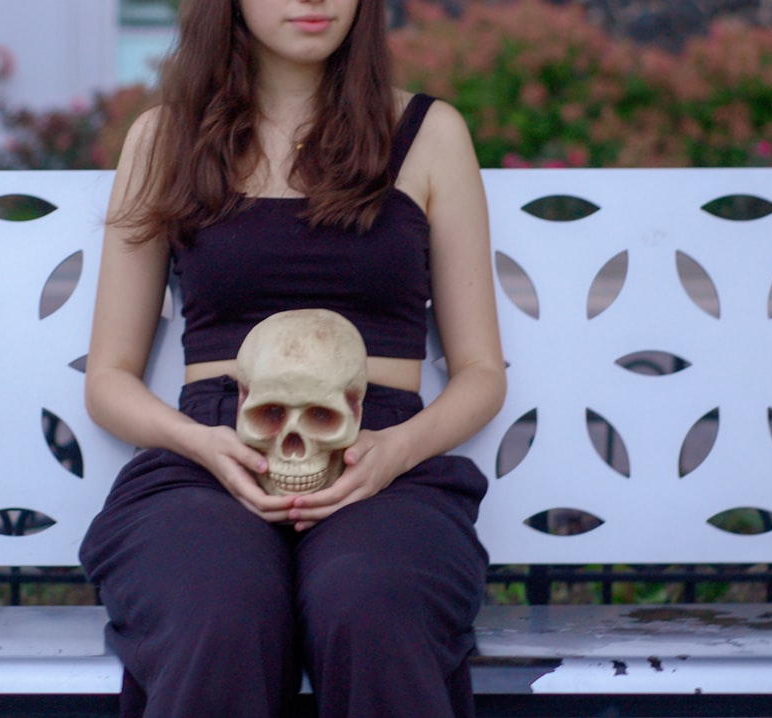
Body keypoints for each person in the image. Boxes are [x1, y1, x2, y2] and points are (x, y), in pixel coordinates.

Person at [79, 0, 507, 715]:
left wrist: (396, 451)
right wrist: (200, 444)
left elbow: (481, 373)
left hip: (377, 445)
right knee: (222, 609)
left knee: (369, 603)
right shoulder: (164, 140)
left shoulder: (429, 136)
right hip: (213, 449)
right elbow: (107, 377)